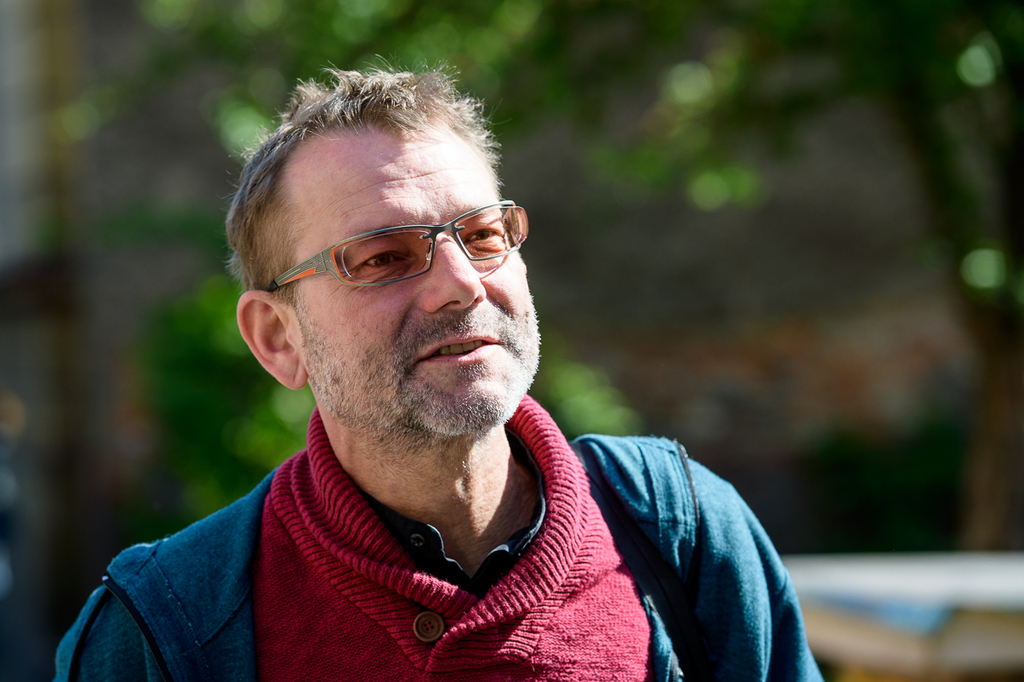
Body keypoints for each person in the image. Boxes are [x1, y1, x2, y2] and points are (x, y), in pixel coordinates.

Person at [55, 68, 823, 681]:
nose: (461, 284)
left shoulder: (681, 534)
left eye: (483, 236)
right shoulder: (167, 628)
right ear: (278, 339)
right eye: (383, 257)